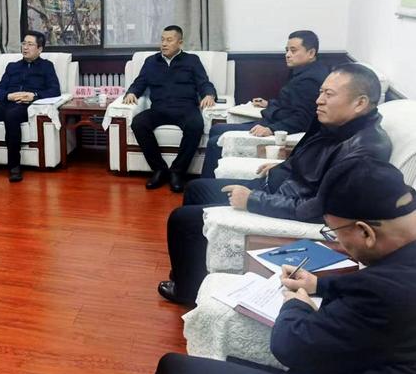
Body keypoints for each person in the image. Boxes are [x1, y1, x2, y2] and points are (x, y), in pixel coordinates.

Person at [128, 158, 416, 374]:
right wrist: (318, 285)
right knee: (172, 366)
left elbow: (291, 346)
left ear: (366, 232)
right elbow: (367, 290)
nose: (338, 242)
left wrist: (296, 305)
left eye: (334, 232)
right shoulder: (399, 265)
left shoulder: (387, 291)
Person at [159, 63, 391, 304]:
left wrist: (252, 200)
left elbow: (317, 209)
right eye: (321, 92)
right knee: (196, 189)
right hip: (277, 187)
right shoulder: (335, 124)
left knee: (182, 219)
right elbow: (306, 157)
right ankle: (189, 275)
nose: (319, 100)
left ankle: (187, 292)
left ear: (360, 103)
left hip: (281, 204)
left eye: (328, 94)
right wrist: (281, 167)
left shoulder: (365, 150)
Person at [201, 30, 329, 177]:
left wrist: (271, 129)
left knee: (215, 142)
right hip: (275, 120)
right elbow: (292, 103)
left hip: (279, 127)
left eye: (293, 50)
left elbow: (303, 119)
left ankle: (208, 182)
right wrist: (268, 104)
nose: (288, 55)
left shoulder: (309, 80)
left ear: (311, 53)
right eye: (287, 50)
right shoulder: (304, 71)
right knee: (217, 129)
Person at [125, 26, 217, 192]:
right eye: (162, 40)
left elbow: (203, 82)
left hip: (186, 108)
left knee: (196, 125)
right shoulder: (151, 62)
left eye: (169, 40)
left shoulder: (192, 60)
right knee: (138, 123)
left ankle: (177, 171)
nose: (164, 44)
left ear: (180, 42)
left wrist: (209, 95)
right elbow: (140, 82)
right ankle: (159, 169)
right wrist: (132, 92)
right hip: (159, 108)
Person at [0, 31, 61, 183]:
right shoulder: (12, 67)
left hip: (25, 106)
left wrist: (34, 95)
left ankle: (14, 166)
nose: (25, 47)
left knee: (12, 115)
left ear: (40, 49)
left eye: (30, 44)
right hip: (5, 103)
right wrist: (9, 96)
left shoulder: (46, 66)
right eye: (24, 43)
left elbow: (55, 90)